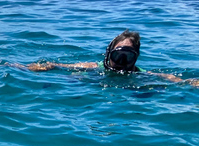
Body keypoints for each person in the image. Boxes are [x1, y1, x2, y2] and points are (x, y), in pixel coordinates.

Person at [26, 30, 199, 86]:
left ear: (135, 59)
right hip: (92, 86)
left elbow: (170, 78)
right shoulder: (95, 66)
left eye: (127, 57)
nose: (121, 63)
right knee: (74, 78)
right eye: (118, 55)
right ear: (109, 54)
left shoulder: (140, 74)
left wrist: (191, 82)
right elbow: (60, 65)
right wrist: (40, 67)